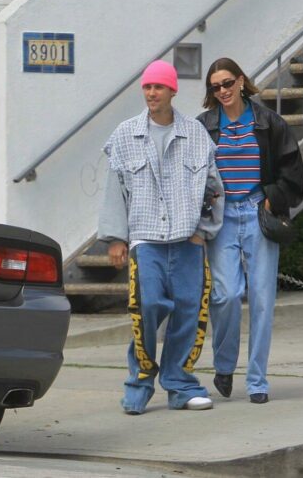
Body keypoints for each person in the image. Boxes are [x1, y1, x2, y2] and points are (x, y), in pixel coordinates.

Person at [98, 60, 225, 415]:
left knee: (188, 311)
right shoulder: (125, 134)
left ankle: (181, 385)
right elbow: (115, 190)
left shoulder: (195, 135)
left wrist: (204, 230)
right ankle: (139, 383)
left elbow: (213, 187)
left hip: (187, 239)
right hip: (146, 239)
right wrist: (115, 238)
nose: (152, 93)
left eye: (158, 87)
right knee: (148, 307)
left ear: (172, 90)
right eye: (147, 87)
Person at [197, 57, 303, 404]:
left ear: (242, 81)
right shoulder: (204, 126)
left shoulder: (268, 123)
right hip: (222, 218)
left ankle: (257, 380)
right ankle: (225, 364)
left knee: (262, 300)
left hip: (258, 214)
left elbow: (292, 171)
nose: (223, 91)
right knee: (225, 295)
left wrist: (272, 201)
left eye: (228, 83)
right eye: (216, 87)